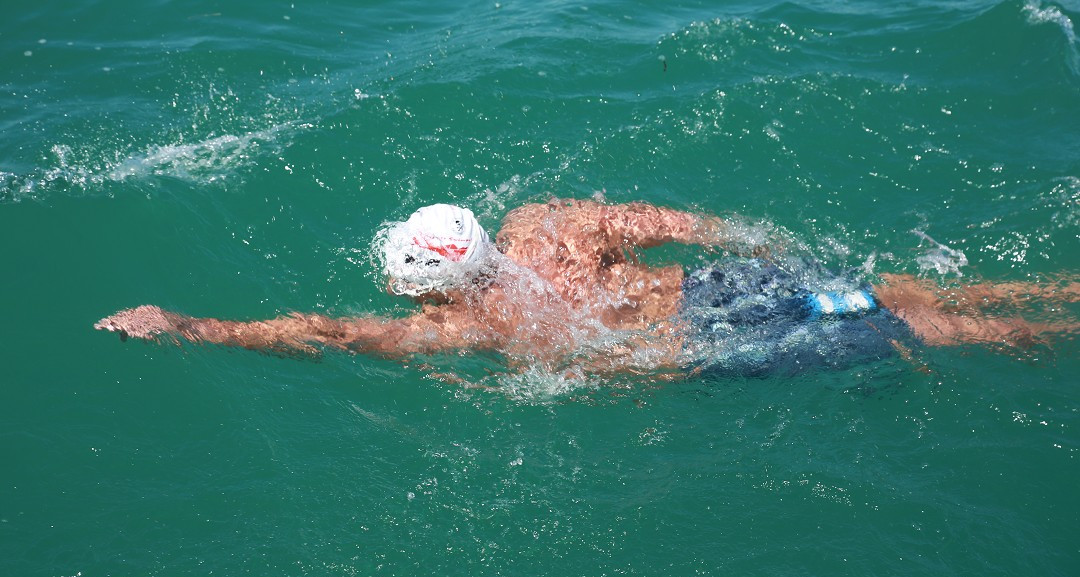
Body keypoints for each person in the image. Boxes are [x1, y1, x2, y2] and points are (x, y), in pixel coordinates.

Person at [94, 199, 1078, 378]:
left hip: (705, 349)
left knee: (938, 331)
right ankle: (1057, 289)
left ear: (427, 286)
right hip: (721, 283)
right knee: (895, 287)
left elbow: (324, 334)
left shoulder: (470, 332)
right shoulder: (544, 225)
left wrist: (186, 324)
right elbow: (671, 225)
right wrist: (759, 240)